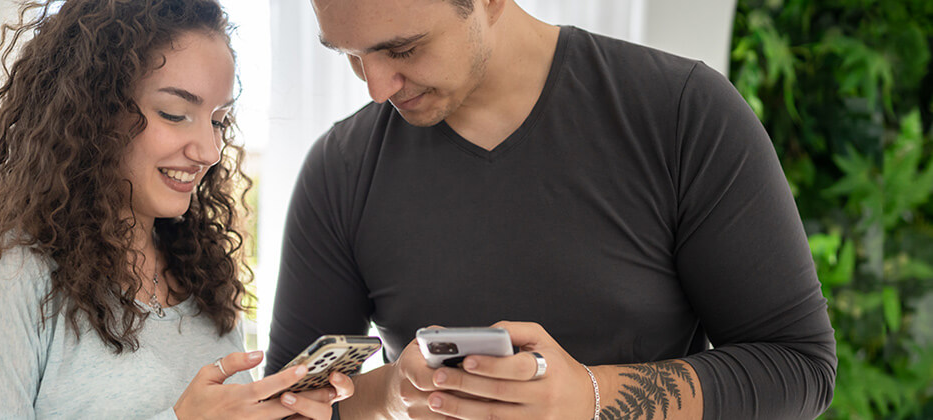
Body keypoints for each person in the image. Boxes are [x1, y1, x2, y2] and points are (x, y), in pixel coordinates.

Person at [266, 0, 836, 419]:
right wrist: (391, 395)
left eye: (403, 49)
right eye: (350, 56)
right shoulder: (340, 170)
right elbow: (286, 408)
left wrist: (590, 396)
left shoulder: (682, 113)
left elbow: (799, 367)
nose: (376, 87)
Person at [0, 1, 353, 418]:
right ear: (93, 112)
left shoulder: (202, 280)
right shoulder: (5, 278)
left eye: (218, 120)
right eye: (175, 113)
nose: (209, 150)